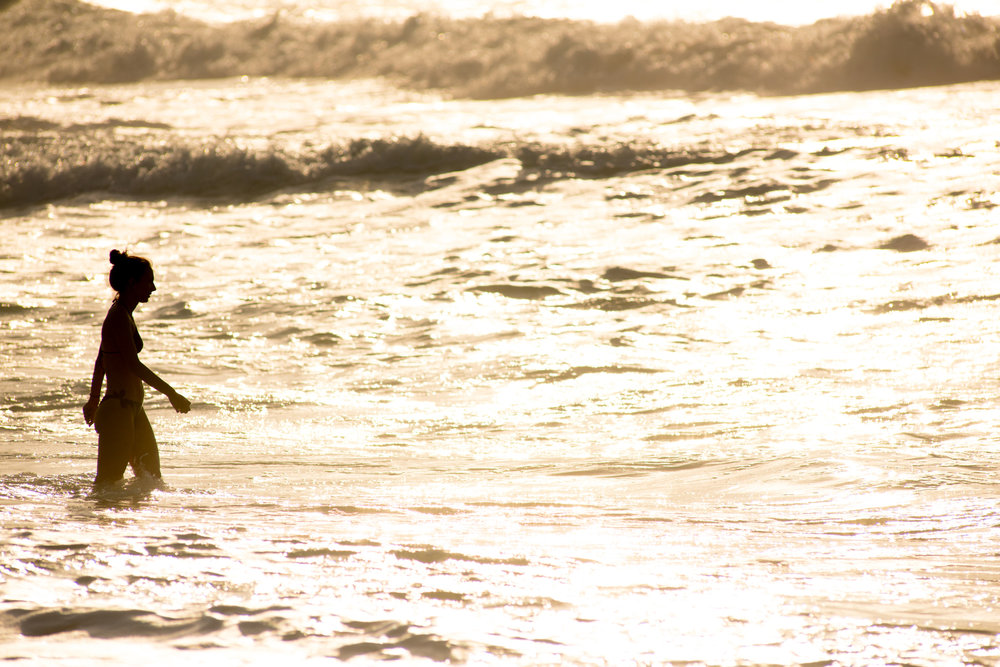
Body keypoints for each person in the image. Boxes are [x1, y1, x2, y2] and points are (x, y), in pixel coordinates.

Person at [83, 249, 191, 487]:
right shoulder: (118, 317)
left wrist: (93, 400)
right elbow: (133, 365)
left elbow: (101, 360)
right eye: (148, 282)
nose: (153, 288)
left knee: (151, 480)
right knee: (106, 485)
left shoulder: (124, 314)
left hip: (133, 409)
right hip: (118, 411)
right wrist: (171, 394)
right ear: (132, 283)